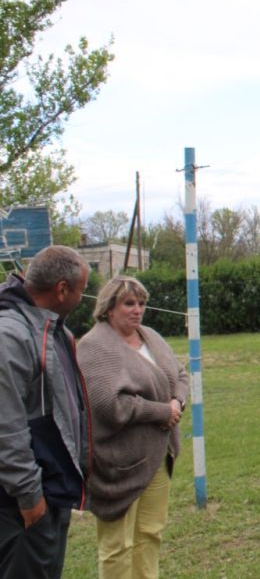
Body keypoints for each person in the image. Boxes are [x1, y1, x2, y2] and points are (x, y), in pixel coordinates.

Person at [77, 276, 189, 579]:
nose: (137, 310)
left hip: (158, 458)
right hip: (117, 464)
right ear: (109, 307)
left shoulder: (150, 336)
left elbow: (179, 375)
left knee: (150, 533)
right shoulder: (94, 346)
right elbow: (110, 405)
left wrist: (177, 402)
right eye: (129, 303)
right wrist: (160, 411)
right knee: (117, 546)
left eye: (141, 303)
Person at [0, 245, 91, 579]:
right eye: (82, 290)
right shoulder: (10, 335)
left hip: (51, 489)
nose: (83, 298)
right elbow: (5, 428)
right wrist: (29, 496)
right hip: (20, 502)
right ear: (62, 289)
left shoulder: (54, 330)